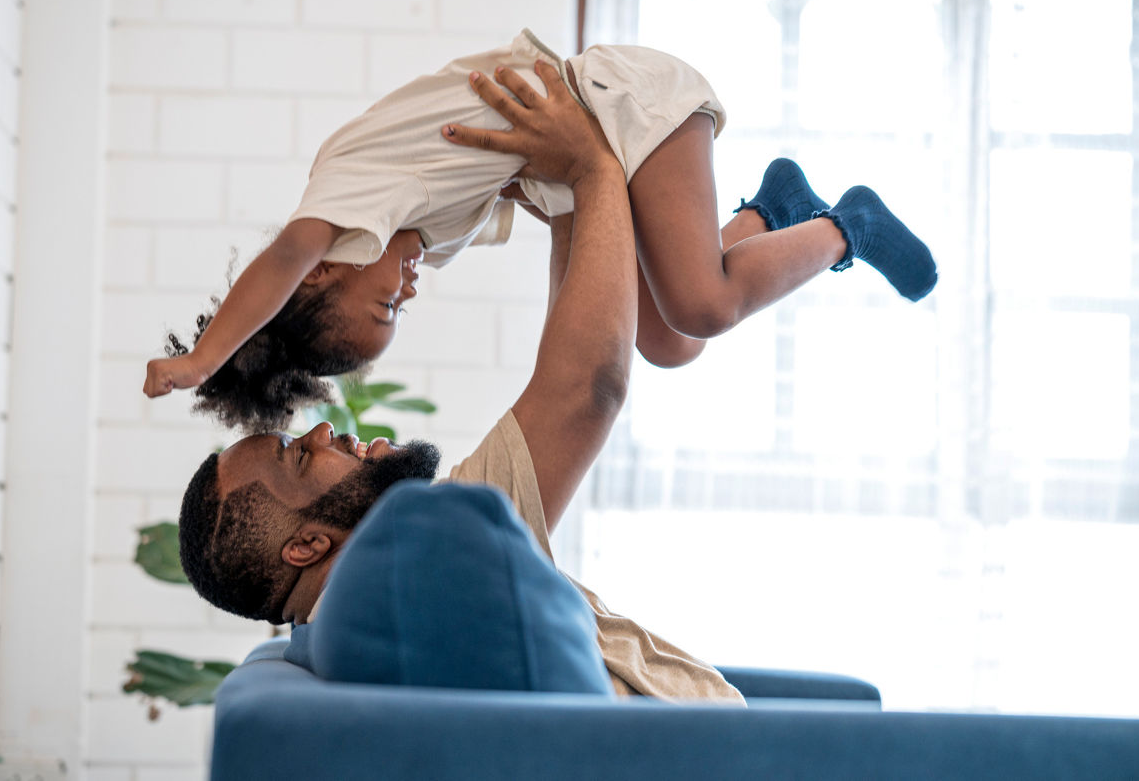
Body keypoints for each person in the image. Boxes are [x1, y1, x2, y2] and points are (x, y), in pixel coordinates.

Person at [175, 65, 855, 702]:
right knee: (685, 322)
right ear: (305, 546)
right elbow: (586, 385)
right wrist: (590, 167)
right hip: (737, 753)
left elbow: (573, 364)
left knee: (679, 328)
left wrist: (572, 199)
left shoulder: (398, 575)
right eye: (300, 455)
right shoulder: (422, 556)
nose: (325, 431)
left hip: (730, 742)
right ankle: (833, 231)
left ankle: (774, 217)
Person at [142, 29, 937, 433]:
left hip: (617, 106)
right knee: (668, 343)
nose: (406, 291)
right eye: (401, 313)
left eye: (384, 306)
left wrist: (205, 359)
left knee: (702, 307)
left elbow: (282, 255)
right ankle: (770, 211)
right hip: (596, 152)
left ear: (320, 272)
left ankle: (849, 227)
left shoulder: (346, 200)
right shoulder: (413, 224)